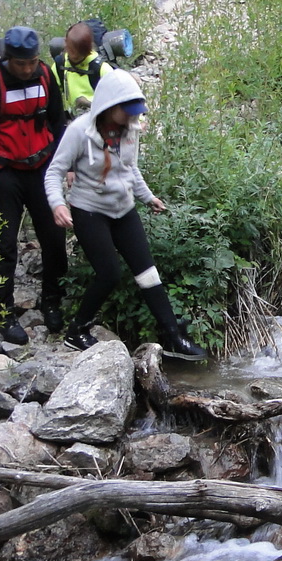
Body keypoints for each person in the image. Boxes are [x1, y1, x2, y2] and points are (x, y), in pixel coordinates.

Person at [43, 67, 206, 361]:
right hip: (89, 210)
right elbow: (54, 171)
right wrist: (58, 204)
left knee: (148, 273)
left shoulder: (131, 130)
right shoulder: (79, 131)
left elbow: (131, 168)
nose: (133, 117)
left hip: (124, 208)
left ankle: (173, 336)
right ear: (108, 106)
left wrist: (148, 197)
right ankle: (76, 330)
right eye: (127, 111)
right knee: (109, 274)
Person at [0, 26, 68, 345]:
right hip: (5, 175)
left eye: (31, 62)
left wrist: (64, 165)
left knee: (54, 239)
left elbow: (57, 122)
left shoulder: (45, 76)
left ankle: (52, 301)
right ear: (8, 59)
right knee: (5, 244)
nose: (27, 69)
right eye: (21, 63)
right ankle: (3, 313)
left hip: (41, 168)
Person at [57, 21, 106, 110]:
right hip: (72, 117)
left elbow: (118, 101)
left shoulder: (101, 69)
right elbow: (51, 91)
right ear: (65, 43)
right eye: (72, 50)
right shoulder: (60, 64)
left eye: (80, 53)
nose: (74, 55)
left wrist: (89, 104)